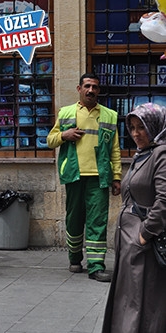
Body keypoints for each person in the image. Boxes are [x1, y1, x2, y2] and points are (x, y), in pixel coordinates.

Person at [47, 73, 121, 282]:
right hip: (74, 174)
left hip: (99, 177)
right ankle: (75, 258)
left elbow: (115, 149)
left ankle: (96, 266)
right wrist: (64, 135)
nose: (91, 90)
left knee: (98, 221)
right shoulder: (66, 113)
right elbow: (50, 140)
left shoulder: (109, 115)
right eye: (87, 86)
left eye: (95, 87)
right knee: (74, 219)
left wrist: (116, 177)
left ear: (98, 90)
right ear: (79, 89)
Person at [102, 102, 166, 332]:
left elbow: (164, 201)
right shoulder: (143, 154)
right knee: (129, 299)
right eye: (132, 127)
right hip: (129, 242)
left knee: (143, 301)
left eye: (142, 127)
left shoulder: (161, 154)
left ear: (155, 126)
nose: (136, 134)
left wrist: (144, 234)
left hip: (143, 244)